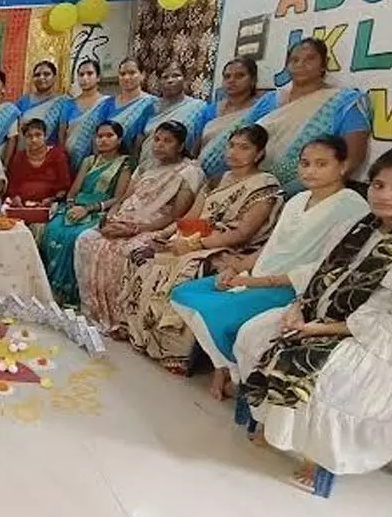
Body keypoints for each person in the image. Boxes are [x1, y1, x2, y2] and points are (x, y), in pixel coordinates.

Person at [234, 145, 392, 491]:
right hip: (331, 314)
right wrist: (300, 307)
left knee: (329, 369)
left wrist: (319, 329)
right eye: (378, 185)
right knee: (257, 331)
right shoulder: (361, 226)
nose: (384, 195)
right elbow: (322, 277)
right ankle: (277, 424)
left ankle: (319, 457)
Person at [171, 136, 369, 399]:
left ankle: (235, 374)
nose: (310, 171)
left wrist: (254, 283)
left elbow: (325, 267)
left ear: (343, 167)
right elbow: (272, 246)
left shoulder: (352, 205)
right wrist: (239, 269)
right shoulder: (298, 200)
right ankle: (228, 366)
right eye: (305, 163)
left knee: (214, 313)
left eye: (321, 164)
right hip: (257, 275)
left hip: (292, 288)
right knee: (183, 295)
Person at [120, 125, 284, 374]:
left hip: (231, 248)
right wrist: (162, 235)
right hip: (193, 239)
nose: (235, 152)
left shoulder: (265, 185)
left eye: (244, 147)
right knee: (141, 253)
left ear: (259, 153)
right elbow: (191, 217)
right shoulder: (218, 179)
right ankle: (140, 333)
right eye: (232, 145)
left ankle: (174, 352)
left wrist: (193, 245)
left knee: (186, 267)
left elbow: (243, 234)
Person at [75, 122, 204, 331]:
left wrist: (135, 229)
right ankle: (95, 311)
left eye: (168, 141)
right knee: (86, 239)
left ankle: (123, 319)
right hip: (124, 219)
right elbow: (125, 197)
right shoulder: (146, 166)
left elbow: (175, 215)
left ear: (180, 146)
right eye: (157, 140)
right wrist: (110, 217)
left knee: (126, 251)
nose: (160, 145)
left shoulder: (189, 172)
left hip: (154, 227)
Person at [216, 38, 370, 192]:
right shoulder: (271, 99)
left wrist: (312, 190)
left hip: (309, 189)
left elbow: (353, 156)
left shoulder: (343, 101)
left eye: (310, 58)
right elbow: (240, 135)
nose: (300, 65)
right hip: (252, 184)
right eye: (294, 60)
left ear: (324, 63)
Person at [41, 121, 131, 305]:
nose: (103, 140)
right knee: (52, 229)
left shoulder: (125, 163)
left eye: (109, 136)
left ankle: (71, 294)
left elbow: (119, 198)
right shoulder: (89, 161)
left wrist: (89, 209)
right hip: (76, 208)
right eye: (99, 136)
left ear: (119, 139)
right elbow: (74, 191)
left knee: (74, 236)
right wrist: (71, 206)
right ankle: (52, 287)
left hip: (100, 210)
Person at [196, 57, 266, 180]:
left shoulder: (260, 109)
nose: (231, 80)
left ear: (253, 80)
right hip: (201, 176)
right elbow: (197, 145)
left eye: (239, 76)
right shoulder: (210, 110)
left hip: (241, 177)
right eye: (227, 77)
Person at [4, 117, 72, 226]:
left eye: (38, 135)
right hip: (21, 206)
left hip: (49, 206)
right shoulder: (19, 157)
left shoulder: (57, 155)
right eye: (29, 136)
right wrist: (16, 199)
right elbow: (13, 186)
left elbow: (65, 186)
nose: (34, 140)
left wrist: (51, 199)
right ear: (24, 139)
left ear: (45, 136)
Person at [138, 62, 208, 168]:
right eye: (165, 77)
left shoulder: (198, 107)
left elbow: (199, 141)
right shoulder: (150, 107)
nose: (170, 80)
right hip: (147, 167)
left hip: (179, 169)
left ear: (185, 79)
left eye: (176, 75)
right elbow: (139, 140)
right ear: (159, 82)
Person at [63, 59, 114, 172]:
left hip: (96, 161)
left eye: (90, 74)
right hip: (67, 160)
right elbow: (61, 135)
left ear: (98, 77)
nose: (85, 78)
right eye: (81, 75)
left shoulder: (107, 103)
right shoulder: (68, 104)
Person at [15, 60, 73, 148]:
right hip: (24, 153)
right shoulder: (23, 101)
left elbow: (64, 133)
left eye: (46, 74)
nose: (41, 77)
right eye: (37, 75)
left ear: (54, 77)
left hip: (49, 154)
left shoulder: (64, 102)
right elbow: (16, 133)